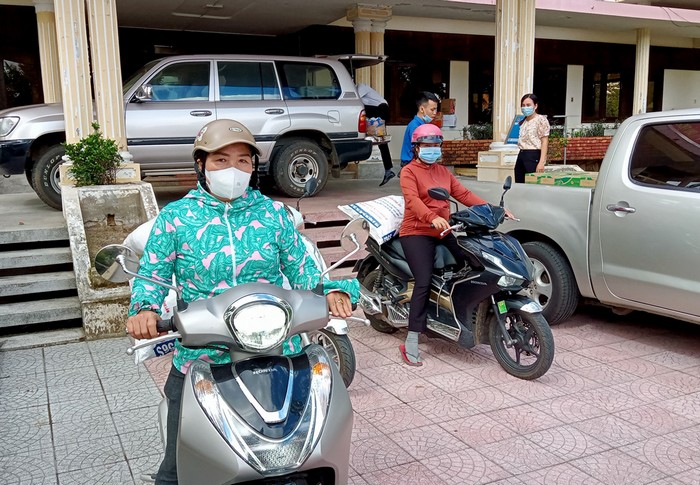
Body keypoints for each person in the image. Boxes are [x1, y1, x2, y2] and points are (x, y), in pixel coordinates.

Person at [126, 119, 359, 485]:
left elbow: (302, 267)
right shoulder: (176, 218)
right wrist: (144, 309)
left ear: (253, 167)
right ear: (201, 165)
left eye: (242, 160)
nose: (233, 169)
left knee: (310, 439)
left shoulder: (273, 214)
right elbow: (151, 273)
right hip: (204, 353)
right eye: (221, 160)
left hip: (277, 346)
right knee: (176, 464)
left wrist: (329, 290)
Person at [398, 123, 489, 366]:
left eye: (436, 145)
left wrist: (490, 209)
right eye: (427, 145)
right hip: (417, 231)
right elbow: (413, 201)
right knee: (423, 280)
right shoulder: (408, 172)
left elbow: (464, 194)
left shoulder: (443, 172)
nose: (432, 149)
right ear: (417, 148)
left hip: (443, 229)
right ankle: (412, 338)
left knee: (471, 262)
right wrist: (431, 217)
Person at [357, 83, 396, 186]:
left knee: (356, 107)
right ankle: (388, 169)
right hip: (376, 111)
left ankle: (388, 169)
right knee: (381, 141)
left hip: (381, 109)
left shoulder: (361, 87)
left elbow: (355, 99)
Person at [514, 93, 550, 183]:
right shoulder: (523, 121)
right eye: (523, 105)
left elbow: (544, 142)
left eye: (528, 105)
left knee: (532, 184)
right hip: (521, 154)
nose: (525, 107)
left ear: (535, 106)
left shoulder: (540, 119)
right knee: (520, 183)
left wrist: (541, 162)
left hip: (533, 155)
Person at [400, 91, 440, 168]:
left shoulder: (422, 125)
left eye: (436, 109)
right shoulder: (415, 126)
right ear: (422, 109)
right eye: (432, 109)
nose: (435, 113)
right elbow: (416, 150)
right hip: (411, 164)